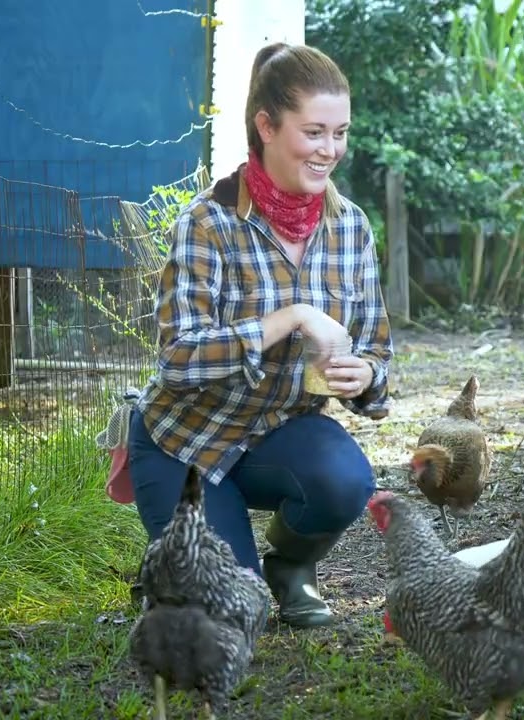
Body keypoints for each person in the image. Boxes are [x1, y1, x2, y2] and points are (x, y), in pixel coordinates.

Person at [125, 41, 393, 628]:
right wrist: (290, 316)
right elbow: (178, 358)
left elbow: (377, 350)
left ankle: (291, 566)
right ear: (266, 126)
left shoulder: (350, 228)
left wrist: (365, 374)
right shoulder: (207, 222)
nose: (330, 150)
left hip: (278, 434)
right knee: (232, 613)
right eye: (314, 132)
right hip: (185, 442)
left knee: (345, 480)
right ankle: (174, 567)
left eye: (340, 133)